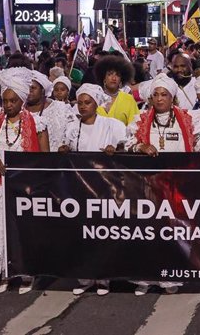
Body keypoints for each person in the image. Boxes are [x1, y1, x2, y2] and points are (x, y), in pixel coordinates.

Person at [125, 73, 200, 296]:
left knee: (174, 232)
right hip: (148, 187)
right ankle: (146, 278)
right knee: (147, 232)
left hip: (177, 187)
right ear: (151, 98)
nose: (160, 99)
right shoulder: (141, 120)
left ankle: (170, 276)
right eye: (156, 95)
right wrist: (139, 147)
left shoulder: (188, 120)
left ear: (172, 98)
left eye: (164, 95)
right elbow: (126, 143)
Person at [0, 67, 50, 294]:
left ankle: (27, 274)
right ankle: (4, 275)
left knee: (23, 230)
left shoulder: (37, 124)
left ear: (22, 101)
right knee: (0, 229)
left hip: (25, 189)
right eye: (5, 100)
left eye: (12, 101)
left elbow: (44, 157)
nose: (8, 105)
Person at [62, 83, 126, 296]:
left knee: (103, 233)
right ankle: (85, 277)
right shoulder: (72, 127)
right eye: (79, 103)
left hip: (105, 189)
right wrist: (64, 150)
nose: (82, 106)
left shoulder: (112, 126)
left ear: (97, 103)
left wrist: (114, 150)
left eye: (87, 102)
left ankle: (104, 278)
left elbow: (125, 151)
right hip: (79, 189)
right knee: (82, 234)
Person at [25, 70, 77, 151]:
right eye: (26, 87)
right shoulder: (19, 110)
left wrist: (66, 146)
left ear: (42, 90)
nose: (29, 91)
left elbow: (73, 133)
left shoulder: (61, 108)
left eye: (33, 88)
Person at [95, 55, 140, 126]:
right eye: (110, 74)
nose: (114, 78)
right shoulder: (95, 98)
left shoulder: (128, 99)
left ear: (121, 80)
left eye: (117, 75)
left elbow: (136, 125)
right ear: (104, 78)